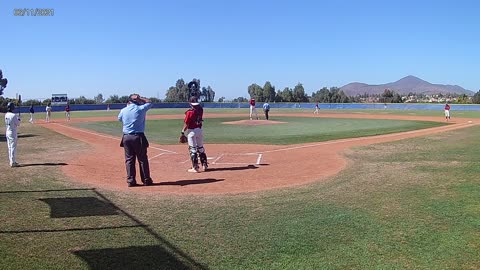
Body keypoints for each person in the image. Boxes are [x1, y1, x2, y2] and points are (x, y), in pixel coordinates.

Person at [118, 94, 154, 187]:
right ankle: (146, 180)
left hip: (126, 137)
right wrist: (141, 98)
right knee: (142, 159)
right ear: (137, 101)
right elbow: (150, 102)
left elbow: (119, 119)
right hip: (138, 137)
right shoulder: (140, 109)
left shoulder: (123, 110)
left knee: (129, 159)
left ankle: (131, 180)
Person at [181, 96, 208, 173]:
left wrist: (182, 132)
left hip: (192, 131)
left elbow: (186, 124)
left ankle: (195, 167)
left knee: (193, 149)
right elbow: (197, 108)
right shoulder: (201, 109)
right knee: (201, 148)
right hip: (199, 130)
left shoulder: (189, 112)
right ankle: (204, 165)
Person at [5, 102, 21, 167]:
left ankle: (11, 161)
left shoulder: (6, 114)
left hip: (7, 131)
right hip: (12, 132)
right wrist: (19, 119)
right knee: (13, 147)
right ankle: (13, 162)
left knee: (9, 147)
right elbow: (18, 124)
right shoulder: (13, 115)